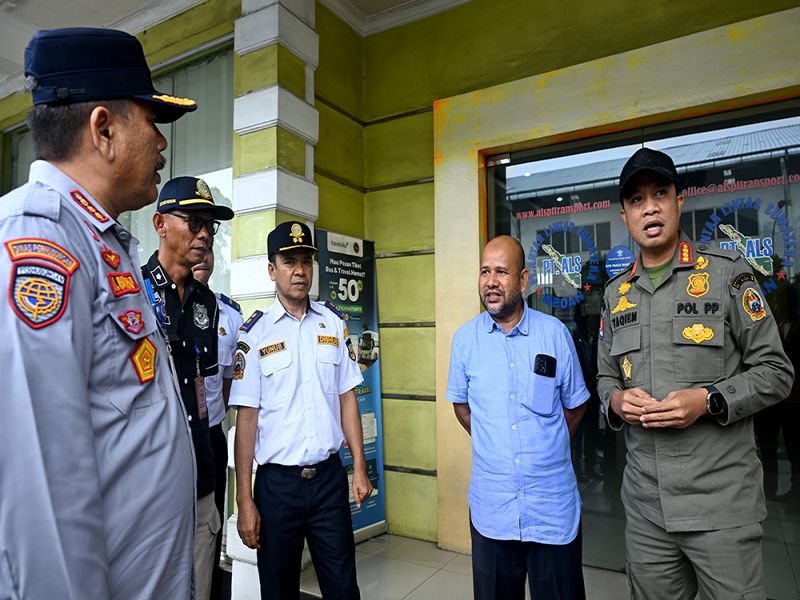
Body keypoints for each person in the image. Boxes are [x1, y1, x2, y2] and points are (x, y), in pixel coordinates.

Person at [0, 27, 198, 599]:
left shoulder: (102, 242)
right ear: (104, 130)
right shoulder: (39, 242)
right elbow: (41, 488)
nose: (162, 144)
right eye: (151, 121)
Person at [597, 147, 795, 599]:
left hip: (720, 505)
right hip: (646, 509)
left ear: (678, 202)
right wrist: (615, 400)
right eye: (636, 200)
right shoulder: (615, 293)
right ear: (625, 215)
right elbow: (606, 376)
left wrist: (708, 400)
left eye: (660, 193)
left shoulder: (727, 274)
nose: (649, 206)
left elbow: (777, 371)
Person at [231, 221, 372, 600]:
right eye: (289, 261)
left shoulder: (333, 323)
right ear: (272, 269)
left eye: (306, 261)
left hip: (328, 482)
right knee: (278, 590)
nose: (299, 270)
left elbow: (347, 398)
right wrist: (245, 499)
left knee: (343, 587)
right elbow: (247, 420)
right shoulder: (255, 335)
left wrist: (359, 467)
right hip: (277, 488)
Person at [446, 235, 589, 600]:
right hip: (493, 510)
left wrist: (545, 444)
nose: (490, 281)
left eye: (501, 272)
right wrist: (497, 441)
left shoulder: (555, 335)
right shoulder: (465, 341)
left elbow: (575, 407)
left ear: (524, 280)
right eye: (484, 271)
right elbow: (462, 409)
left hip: (551, 509)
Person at [142, 175, 234, 600]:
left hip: (200, 472)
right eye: (193, 221)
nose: (203, 234)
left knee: (200, 583)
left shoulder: (207, 302)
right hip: (149, 480)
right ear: (160, 224)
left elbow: (206, 384)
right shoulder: (133, 292)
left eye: (209, 225)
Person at [192, 243, 244, 596]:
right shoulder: (157, 301)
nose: (203, 256)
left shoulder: (229, 314)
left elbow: (229, 379)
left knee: (209, 524)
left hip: (211, 434)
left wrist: (215, 417)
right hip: (173, 434)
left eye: (210, 250)